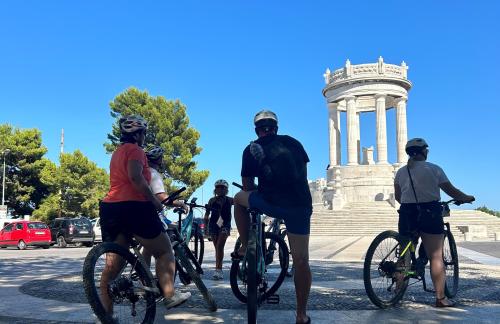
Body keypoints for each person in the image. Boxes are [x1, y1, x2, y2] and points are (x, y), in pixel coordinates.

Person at [99, 115, 190, 317]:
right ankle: (169, 295)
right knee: (165, 251)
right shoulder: (136, 151)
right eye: (144, 134)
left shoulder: (117, 153)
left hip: (110, 208)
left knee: (112, 267)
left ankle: (105, 314)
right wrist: (155, 202)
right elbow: (135, 177)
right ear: (139, 134)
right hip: (135, 206)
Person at [233, 110, 312, 324]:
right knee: (302, 260)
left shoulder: (250, 150)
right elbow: (302, 175)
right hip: (300, 205)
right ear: (276, 127)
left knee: (238, 198)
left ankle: (244, 245)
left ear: (257, 130)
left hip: (271, 203)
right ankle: (301, 314)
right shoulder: (294, 143)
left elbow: (248, 187)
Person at [394, 138, 475, 307]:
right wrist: (466, 198)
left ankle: (397, 293)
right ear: (424, 151)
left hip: (407, 213)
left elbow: (398, 197)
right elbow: (452, 191)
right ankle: (441, 298)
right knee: (436, 256)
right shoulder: (434, 169)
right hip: (430, 212)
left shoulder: (401, 172)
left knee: (404, 253)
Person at [142, 145, 187, 267]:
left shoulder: (142, 172)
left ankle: (144, 278)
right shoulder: (153, 174)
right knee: (164, 251)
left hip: (135, 211)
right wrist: (179, 203)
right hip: (149, 214)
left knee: (147, 249)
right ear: (160, 160)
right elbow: (163, 198)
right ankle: (162, 281)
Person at [204, 179, 234, 280]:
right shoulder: (211, 200)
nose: (220, 189)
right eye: (218, 187)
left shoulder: (230, 200)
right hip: (213, 224)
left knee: (220, 246)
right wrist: (205, 228)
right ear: (215, 189)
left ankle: (218, 270)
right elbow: (207, 215)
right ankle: (217, 267)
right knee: (216, 247)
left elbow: (240, 205)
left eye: (223, 187)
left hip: (225, 224)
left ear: (226, 189)